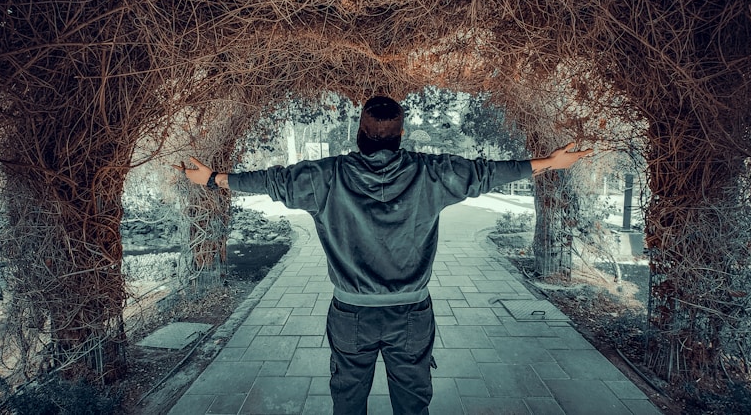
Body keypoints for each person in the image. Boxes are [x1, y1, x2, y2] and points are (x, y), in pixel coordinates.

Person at [174, 95, 591, 415]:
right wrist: (550, 163)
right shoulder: (432, 174)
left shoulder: (326, 177)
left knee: (348, 404)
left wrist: (211, 178)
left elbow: (272, 181)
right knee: (412, 406)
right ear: (400, 135)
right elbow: (487, 173)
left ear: (360, 132)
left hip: (350, 314)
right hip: (411, 315)